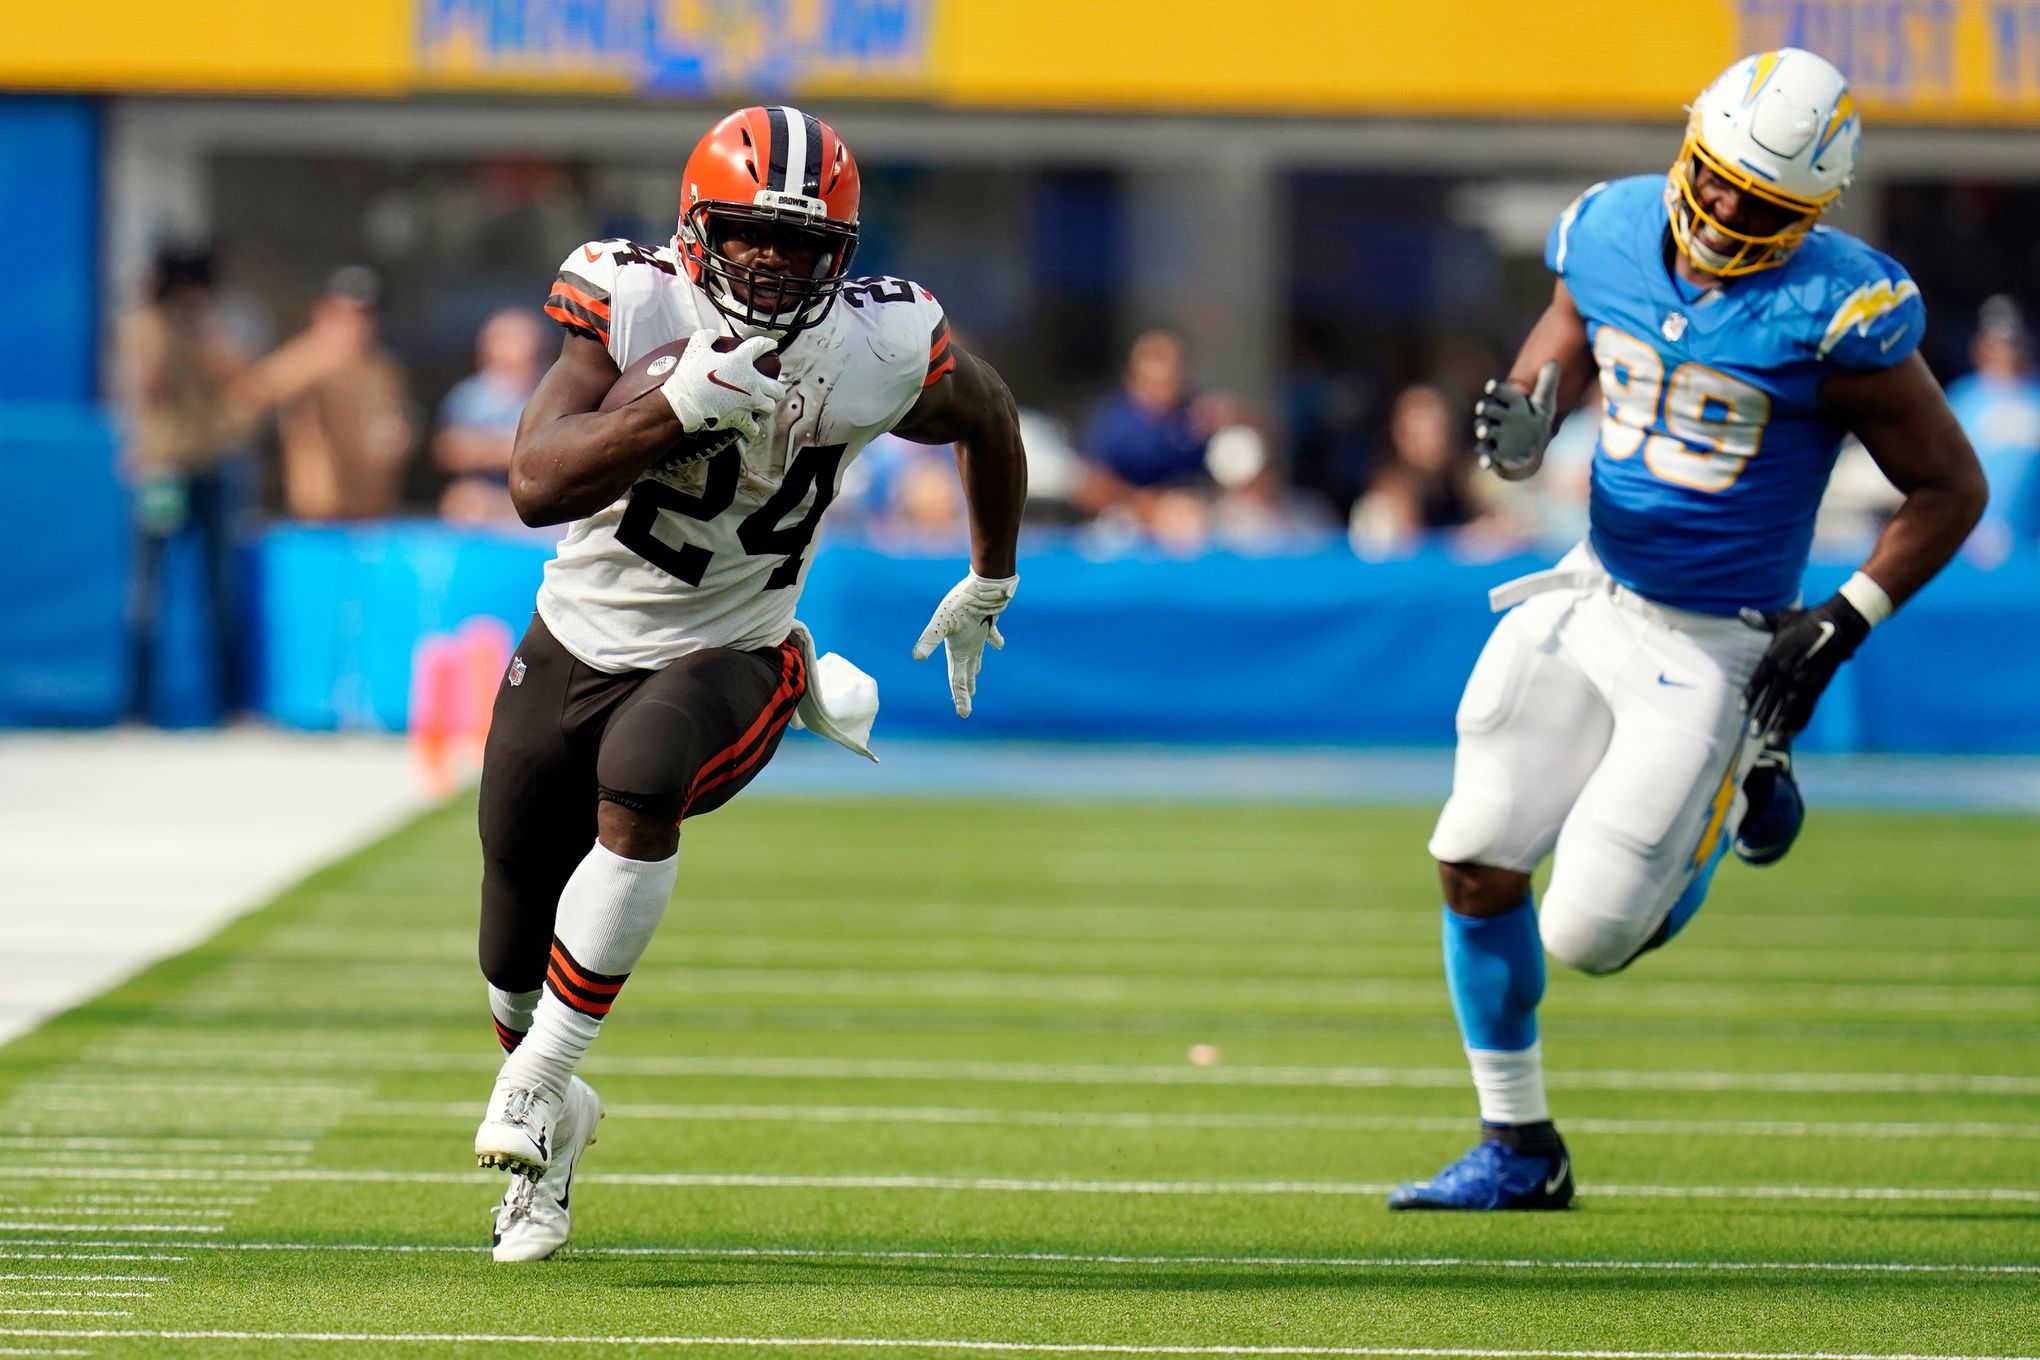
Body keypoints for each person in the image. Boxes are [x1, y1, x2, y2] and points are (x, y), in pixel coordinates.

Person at [1392, 48, 1986, 1212]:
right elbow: (1566, 321)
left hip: (1715, 639)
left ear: (1807, 212)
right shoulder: (1607, 226)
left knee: (1590, 935)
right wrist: (1531, 410)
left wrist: (1845, 617)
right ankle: (1518, 1145)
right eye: (1714, 179)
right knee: (1471, 851)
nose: (1721, 210)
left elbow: (1950, 487)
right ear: (1690, 149)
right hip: (1590, 586)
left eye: (1758, 203)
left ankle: (1750, 777)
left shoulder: (1838, 308)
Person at [471, 106, 1026, 1261]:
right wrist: (671, 408)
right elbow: (531, 482)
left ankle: (541, 1081)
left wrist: (991, 575)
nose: (773, 262)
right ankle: (555, 1108)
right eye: (749, 235)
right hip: (575, 632)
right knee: (510, 929)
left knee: (642, 773)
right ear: (692, 231)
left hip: (737, 645)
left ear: (845, 256)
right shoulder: (628, 303)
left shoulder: (876, 344)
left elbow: (989, 412)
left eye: (803, 245)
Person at [116, 242, 253, 720]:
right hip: (161, 468)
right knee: (148, 591)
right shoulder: (145, 326)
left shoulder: (208, 325)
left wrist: (201, 325)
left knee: (218, 589)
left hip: (209, 464)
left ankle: (226, 702)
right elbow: (149, 384)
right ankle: (138, 702)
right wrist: (165, 325)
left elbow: (237, 376)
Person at [239, 266, 415, 520]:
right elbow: (250, 396)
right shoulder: (303, 358)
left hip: (373, 513)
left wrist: (401, 439)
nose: (359, 325)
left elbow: (397, 422)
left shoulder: (383, 368)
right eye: (348, 315)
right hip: (320, 515)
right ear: (324, 313)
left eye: (367, 315)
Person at [1944, 295, 2040, 564]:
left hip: (2029, 547)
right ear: (1981, 346)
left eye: (2012, 344)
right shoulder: (1963, 397)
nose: (2005, 353)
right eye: (1997, 344)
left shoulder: (2036, 397)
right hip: (1967, 546)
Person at [436, 307, 549, 527]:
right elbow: (451, 449)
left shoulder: (551, 392)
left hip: (538, 498)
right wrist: (516, 451)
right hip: (486, 497)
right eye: (504, 338)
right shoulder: (472, 396)